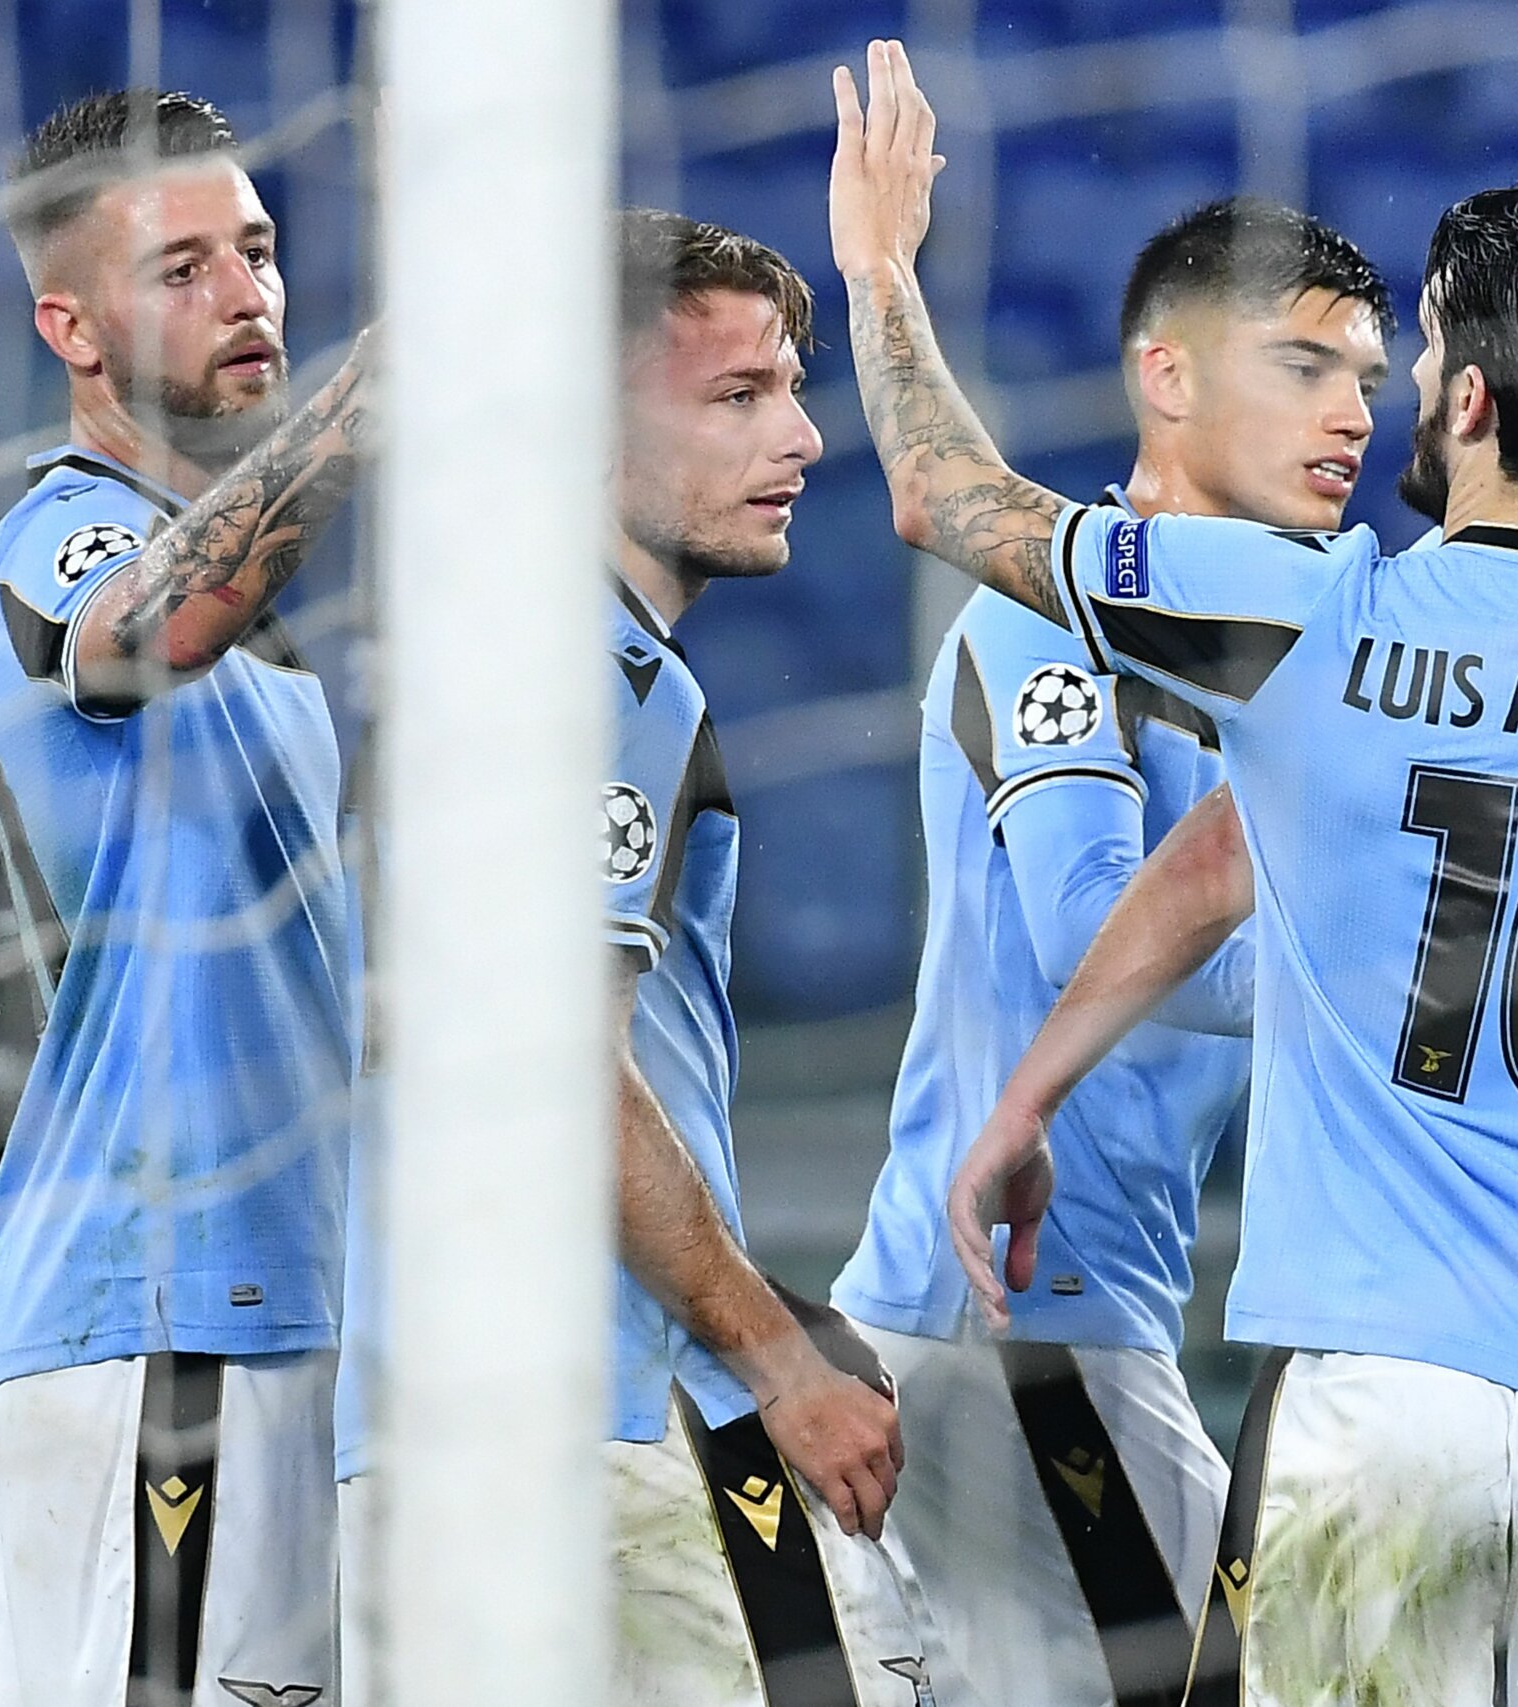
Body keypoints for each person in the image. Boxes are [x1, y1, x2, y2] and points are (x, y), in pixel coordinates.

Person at [834, 41, 1518, 1702]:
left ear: (1471, 402)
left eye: (1419, 355)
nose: (1389, 398)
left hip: (1378, 1398)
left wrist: (880, 267)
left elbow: (950, 501)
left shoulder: (1319, 623)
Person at [332, 209, 925, 1707]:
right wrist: (778, 1363)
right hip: (600, 1423)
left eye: (792, 389)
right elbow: (560, 1078)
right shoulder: (604, 679)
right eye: (735, 397)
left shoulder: (467, 657)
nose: (801, 437)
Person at [825, 196, 1391, 1707]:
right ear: (1168, 377)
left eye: (1364, 382)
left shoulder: (1288, 649)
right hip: (1010, 1321)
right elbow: (1091, 918)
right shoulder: (1051, 626)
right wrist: (1397, 1000)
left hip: (1077, 1317)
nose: (1350, 417)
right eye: (1303, 368)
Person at [0, 88, 375, 1706]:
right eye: (182, 268)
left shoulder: (280, 648)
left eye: (256, 251)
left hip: (290, 1297)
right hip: (153, 1304)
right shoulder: (54, 538)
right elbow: (147, 631)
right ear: (70, 327)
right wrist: (381, 389)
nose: (247, 295)